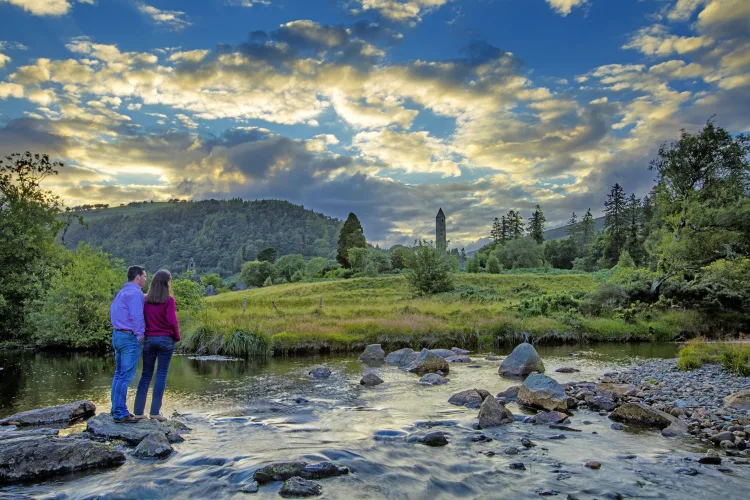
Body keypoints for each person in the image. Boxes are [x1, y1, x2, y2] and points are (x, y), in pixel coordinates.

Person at [134, 270, 181, 421]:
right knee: (161, 374)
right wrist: (177, 337)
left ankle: (139, 412)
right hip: (165, 340)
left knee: (146, 375)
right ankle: (155, 413)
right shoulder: (169, 300)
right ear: (167, 282)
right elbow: (172, 322)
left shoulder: (145, 299)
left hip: (149, 340)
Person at [110, 265, 147, 424]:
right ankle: (120, 413)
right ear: (138, 277)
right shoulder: (135, 293)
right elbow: (137, 316)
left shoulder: (123, 292)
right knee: (125, 376)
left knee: (118, 375)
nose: (146, 278)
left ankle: (116, 409)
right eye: (144, 276)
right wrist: (141, 336)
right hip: (129, 337)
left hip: (117, 335)